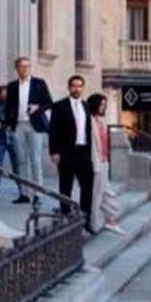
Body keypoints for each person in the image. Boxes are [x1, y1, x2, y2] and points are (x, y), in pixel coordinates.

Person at [3, 57, 53, 203]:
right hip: (18, 125)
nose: (24, 69)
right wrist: (8, 125)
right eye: (21, 66)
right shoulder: (12, 86)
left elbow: (49, 103)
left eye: (27, 66)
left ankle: (38, 194)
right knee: (21, 160)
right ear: (16, 69)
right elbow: (8, 107)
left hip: (34, 125)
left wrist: (37, 107)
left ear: (30, 68)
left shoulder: (39, 83)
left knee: (35, 160)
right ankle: (24, 193)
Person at [48, 75, 94, 231]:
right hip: (66, 152)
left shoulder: (86, 106)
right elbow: (53, 130)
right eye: (74, 86)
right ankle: (66, 218)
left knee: (87, 188)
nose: (77, 88)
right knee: (65, 187)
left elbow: (89, 130)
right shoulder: (59, 106)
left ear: (83, 88)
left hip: (84, 152)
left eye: (79, 86)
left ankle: (85, 221)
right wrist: (54, 151)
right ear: (69, 88)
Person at [86, 93, 125, 235]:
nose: (104, 107)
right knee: (97, 195)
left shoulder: (101, 121)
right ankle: (95, 224)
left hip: (103, 162)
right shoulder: (89, 121)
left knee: (107, 193)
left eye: (104, 105)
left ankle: (110, 221)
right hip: (95, 163)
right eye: (101, 105)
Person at [0, 84, 20, 196]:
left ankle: (22, 188)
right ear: (0, 93)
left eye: (7, 93)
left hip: (13, 137)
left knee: (17, 164)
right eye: (3, 93)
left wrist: (2, 123)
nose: (5, 95)